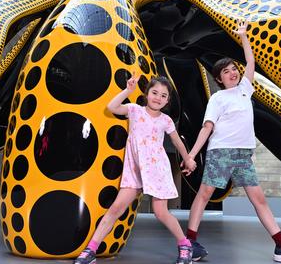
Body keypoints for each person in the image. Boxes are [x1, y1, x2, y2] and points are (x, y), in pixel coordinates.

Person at [184, 20, 281, 263]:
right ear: (219, 79)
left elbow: (250, 62)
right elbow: (207, 128)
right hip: (221, 152)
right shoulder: (219, 98)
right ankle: (190, 243)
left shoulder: (245, 89)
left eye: (233, 69)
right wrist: (191, 155)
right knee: (204, 195)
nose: (232, 72)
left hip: (243, 155)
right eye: (226, 72)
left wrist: (243, 36)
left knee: (258, 199)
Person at [74, 75, 198, 264]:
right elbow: (112, 107)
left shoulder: (166, 120)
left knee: (161, 212)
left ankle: (185, 246)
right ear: (147, 93)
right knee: (116, 208)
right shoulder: (134, 110)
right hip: (134, 168)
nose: (158, 97)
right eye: (154, 92)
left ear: (167, 100)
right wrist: (127, 91)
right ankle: (90, 251)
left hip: (156, 169)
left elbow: (176, 141)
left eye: (163, 95)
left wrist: (188, 159)